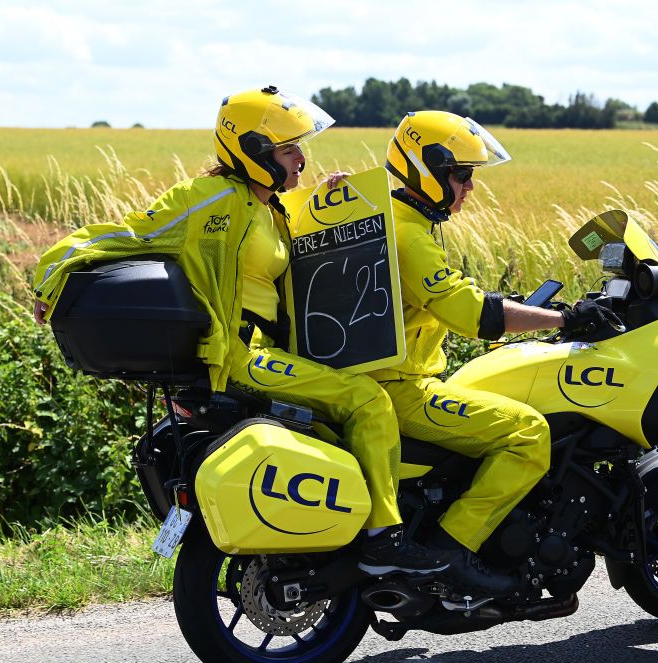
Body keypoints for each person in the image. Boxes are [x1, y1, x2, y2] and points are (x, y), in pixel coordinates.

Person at [31, 87, 447, 576]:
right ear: (253, 150)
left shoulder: (269, 209)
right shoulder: (210, 199)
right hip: (240, 356)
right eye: (289, 149)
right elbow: (126, 233)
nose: (301, 159)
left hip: (269, 352)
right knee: (368, 401)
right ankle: (385, 539)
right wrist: (49, 276)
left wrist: (338, 202)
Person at [371, 110, 604, 594]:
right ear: (427, 170)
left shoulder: (384, 215)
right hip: (399, 389)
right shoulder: (409, 236)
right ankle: (452, 549)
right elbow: (477, 317)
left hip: (378, 380)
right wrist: (566, 319)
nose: (470, 188)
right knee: (528, 434)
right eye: (462, 175)